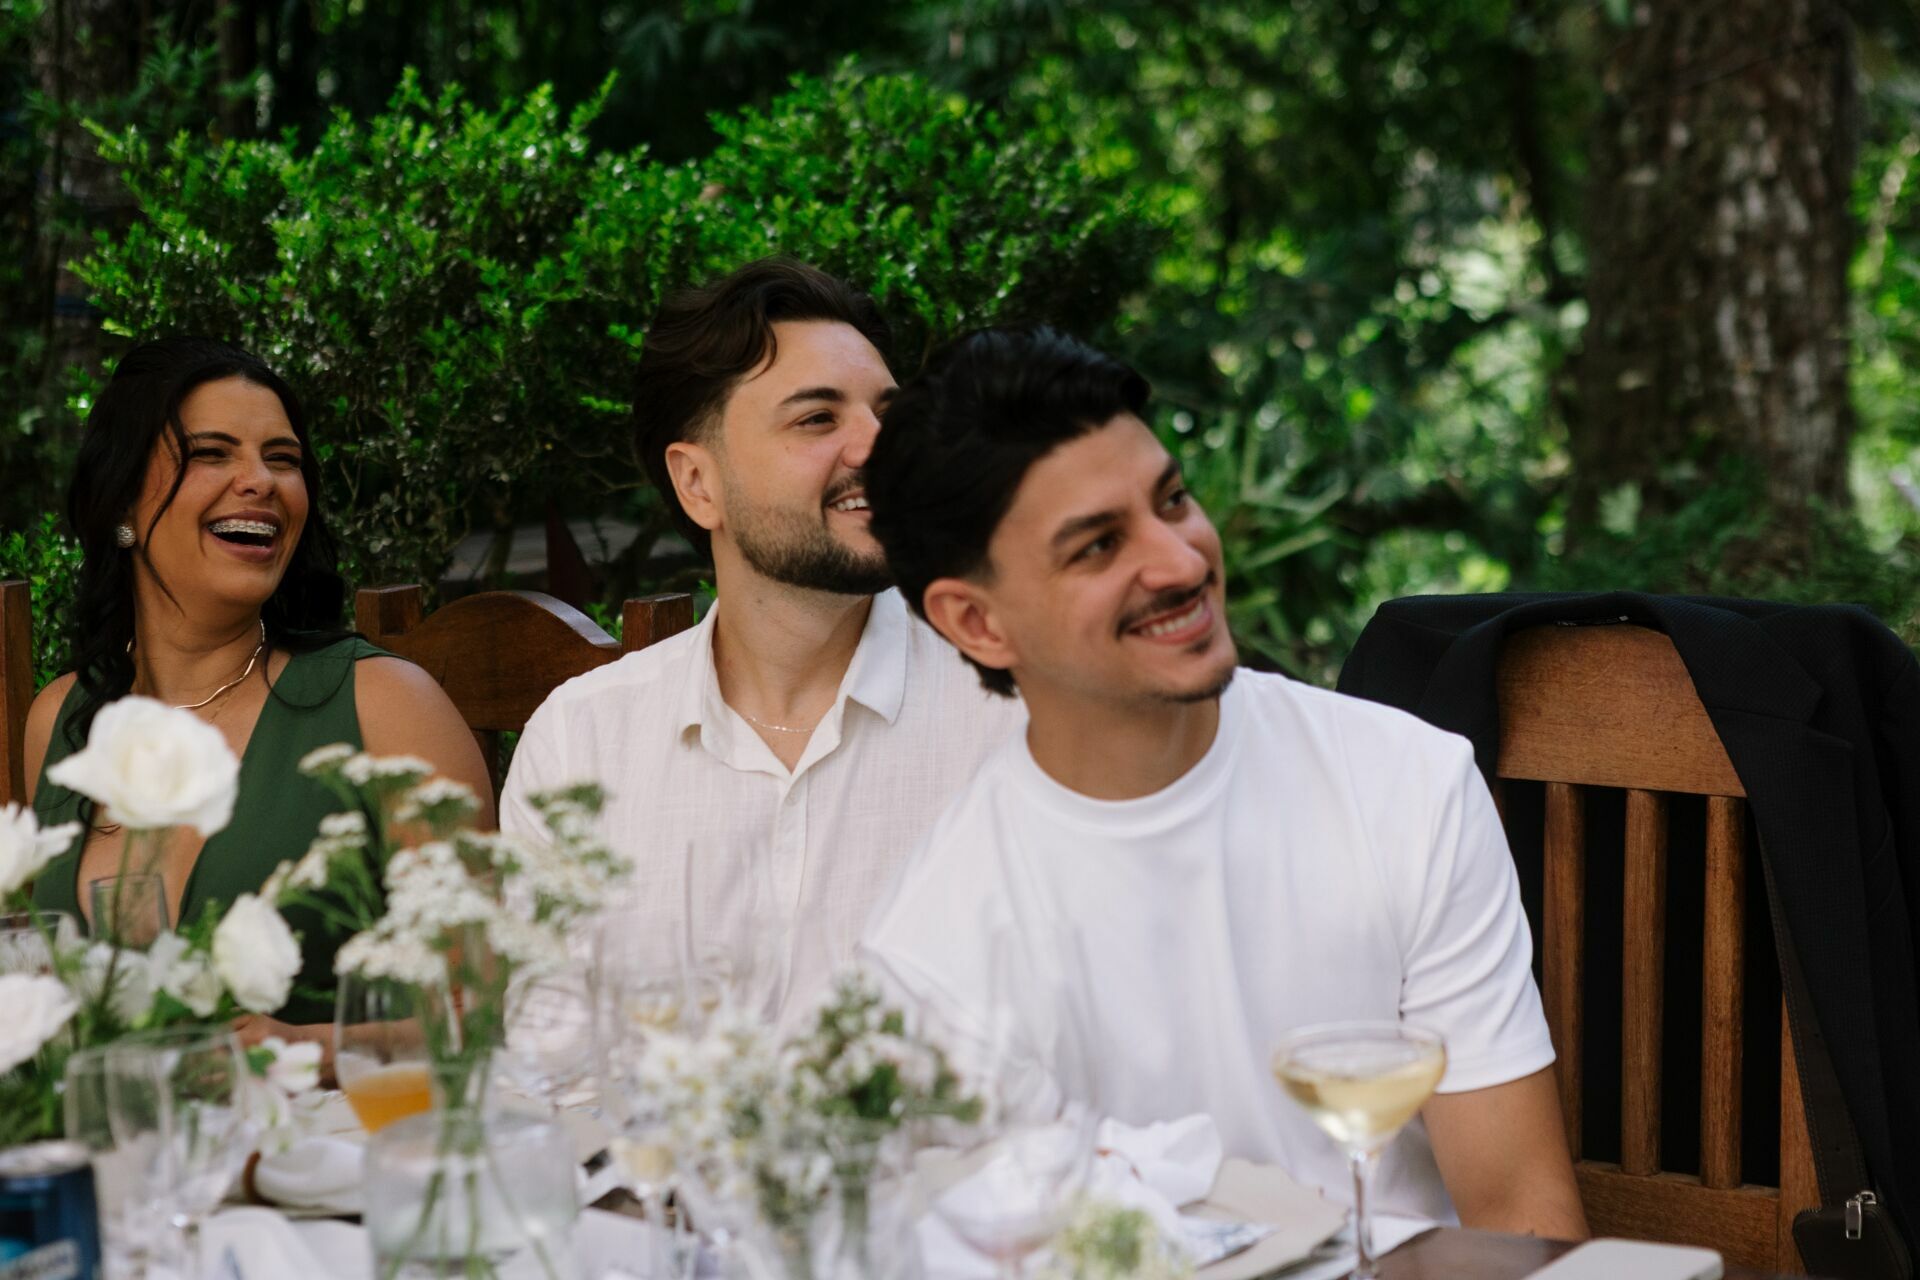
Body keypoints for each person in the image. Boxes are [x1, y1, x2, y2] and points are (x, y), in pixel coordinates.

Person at [858, 327, 1589, 1238]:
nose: (1182, 561)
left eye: (1173, 500)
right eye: (1096, 546)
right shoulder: (940, 944)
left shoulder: (1406, 785)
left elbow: (1523, 1215)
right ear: (978, 621)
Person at [500, 259, 1022, 1026]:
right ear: (697, 484)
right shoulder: (582, 743)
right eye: (818, 418)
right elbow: (551, 1055)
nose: (878, 448)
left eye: (889, 415)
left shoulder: (1011, 716)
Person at [25, 336, 493, 1029]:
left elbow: (481, 1003)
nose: (261, 481)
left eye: (284, 459)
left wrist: (309, 1050)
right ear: (121, 499)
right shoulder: (60, 720)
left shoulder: (385, 707)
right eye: (213, 454)